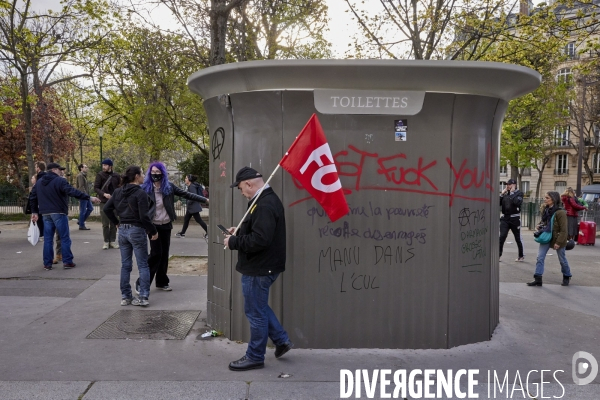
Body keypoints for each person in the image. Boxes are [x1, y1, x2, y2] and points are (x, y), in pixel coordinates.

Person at [224, 166, 293, 372]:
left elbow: (260, 240)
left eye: (240, 188)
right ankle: (281, 341)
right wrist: (240, 232)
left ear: (248, 184)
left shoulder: (264, 204)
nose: (241, 192)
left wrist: (235, 242)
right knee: (259, 308)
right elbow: (259, 231)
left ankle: (255, 356)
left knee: (255, 312)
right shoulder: (263, 201)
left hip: (260, 268)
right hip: (263, 266)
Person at [134, 161, 208, 293]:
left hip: (166, 224)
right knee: (156, 254)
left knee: (164, 254)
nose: (155, 174)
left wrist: (205, 200)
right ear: (149, 173)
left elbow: (186, 194)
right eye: (153, 172)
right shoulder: (145, 188)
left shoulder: (169, 187)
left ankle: (162, 282)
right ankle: (142, 282)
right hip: (153, 226)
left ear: (163, 173)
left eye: (158, 172)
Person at [104, 166, 159, 307]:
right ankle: (143, 296)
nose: (144, 176)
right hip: (137, 230)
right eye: (142, 173)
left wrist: (117, 222)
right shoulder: (140, 193)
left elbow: (106, 209)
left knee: (125, 265)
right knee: (143, 265)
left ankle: (125, 296)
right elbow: (144, 216)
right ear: (136, 176)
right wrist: (153, 231)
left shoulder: (117, 192)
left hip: (122, 230)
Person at [30, 162, 100, 271]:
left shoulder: (39, 183)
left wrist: (34, 212)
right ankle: (67, 261)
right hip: (59, 212)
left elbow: (33, 197)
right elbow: (72, 191)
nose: (61, 171)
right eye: (59, 169)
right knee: (64, 237)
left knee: (48, 239)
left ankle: (47, 263)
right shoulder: (59, 181)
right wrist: (89, 197)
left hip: (45, 213)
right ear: (53, 170)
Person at [527, 191, 572, 287]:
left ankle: (567, 275)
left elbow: (564, 230)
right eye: (545, 197)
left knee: (562, 259)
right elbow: (544, 222)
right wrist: (539, 226)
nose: (545, 199)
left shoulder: (560, 212)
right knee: (540, 257)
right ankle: (538, 278)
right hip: (546, 236)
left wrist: (558, 242)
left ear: (553, 199)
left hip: (558, 238)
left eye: (547, 198)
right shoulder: (546, 209)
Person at [94, 159, 120, 249]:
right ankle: (106, 241)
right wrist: (104, 194)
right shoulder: (100, 175)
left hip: (114, 201)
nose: (103, 167)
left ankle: (112, 241)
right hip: (104, 201)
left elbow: (120, 187)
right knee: (105, 223)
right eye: (103, 165)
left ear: (110, 166)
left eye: (105, 165)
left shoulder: (116, 176)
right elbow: (96, 188)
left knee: (114, 222)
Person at [175, 174, 208, 239]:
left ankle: (209, 232)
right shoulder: (191, 186)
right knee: (186, 219)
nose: (185, 179)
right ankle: (182, 233)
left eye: (186, 178)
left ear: (189, 180)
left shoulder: (192, 187)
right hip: (191, 207)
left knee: (199, 220)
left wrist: (188, 202)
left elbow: (193, 196)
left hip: (193, 207)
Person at [499, 178, 525, 261]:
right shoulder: (506, 194)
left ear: (514, 185)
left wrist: (513, 193)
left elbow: (517, 202)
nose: (508, 186)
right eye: (507, 184)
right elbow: (499, 203)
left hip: (515, 219)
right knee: (502, 236)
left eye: (509, 184)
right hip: (505, 218)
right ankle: (498, 255)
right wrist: (502, 194)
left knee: (517, 238)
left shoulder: (519, 193)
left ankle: (521, 255)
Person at [76, 163, 93, 230]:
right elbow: (81, 186)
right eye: (85, 167)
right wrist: (85, 195)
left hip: (86, 196)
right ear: (81, 168)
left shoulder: (84, 176)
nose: (87, 168)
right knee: (83, 210)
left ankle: (81, 221)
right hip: (83, 196)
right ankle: (81, 225)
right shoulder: (80, 176)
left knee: (90, 208)